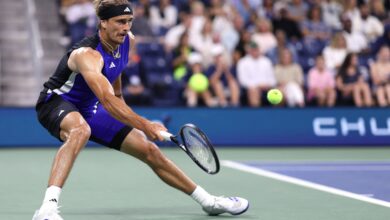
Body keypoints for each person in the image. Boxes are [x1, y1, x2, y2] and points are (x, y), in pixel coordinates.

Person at [32, 1, 249, 219]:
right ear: (103, 23)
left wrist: (142, 125)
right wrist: (146, 124)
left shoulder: (126, 42)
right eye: (120, 22)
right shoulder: (86, 55)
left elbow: (116, 95)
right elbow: (107, 101)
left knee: (149, 149)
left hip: (90, 108)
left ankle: (209, 202)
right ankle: (47, 209)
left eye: (129, 21)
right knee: (80, 130)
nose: (126, 27)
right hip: (55, 102)